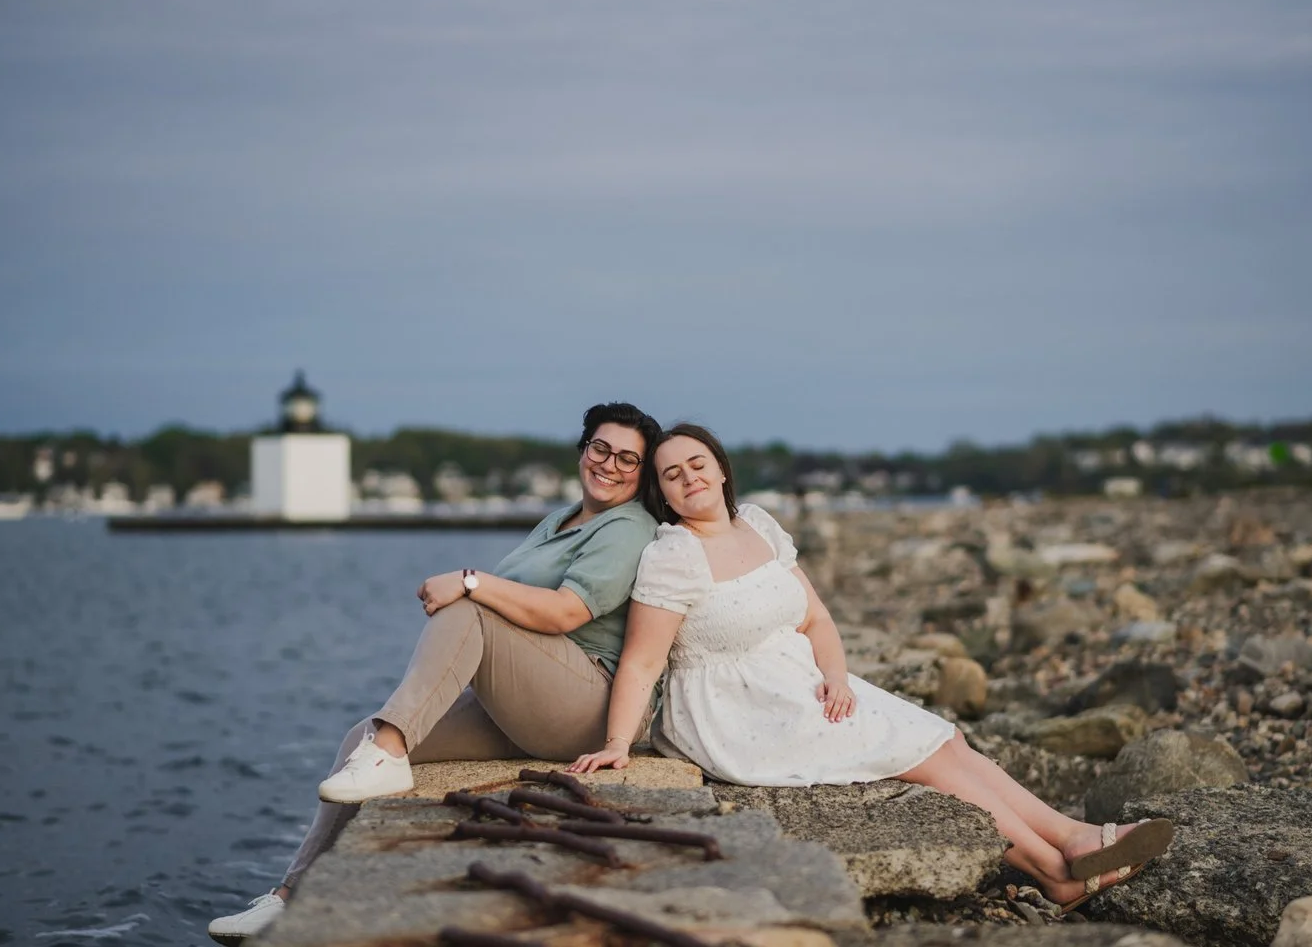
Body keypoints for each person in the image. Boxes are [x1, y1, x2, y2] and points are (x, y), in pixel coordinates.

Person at [569, 422, 1172, 911]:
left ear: (721, 468)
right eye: (671, 474)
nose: (688, 477)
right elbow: (644, 661)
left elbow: (818, 620)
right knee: (928, 762)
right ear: (665, 495)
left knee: (947, 739)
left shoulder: (758, 525)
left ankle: (1069, 835)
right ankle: (1057, 869)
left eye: (697, 463)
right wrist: (619, 742)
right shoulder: (673, 556)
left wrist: (835, 675)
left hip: (802, 681)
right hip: (735, 708)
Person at [209, 403, 662, 943]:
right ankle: (289, 895)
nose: (610, 465)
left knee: (469, 606)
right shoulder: (562, 519)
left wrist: (470, 580)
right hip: (533, 699)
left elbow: (564, 613)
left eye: (628, 459)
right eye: (601, 449)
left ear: (642, 472)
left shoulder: (628, 528)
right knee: (363, 735)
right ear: (582, 450)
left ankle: (393, 750)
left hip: (587, 704)